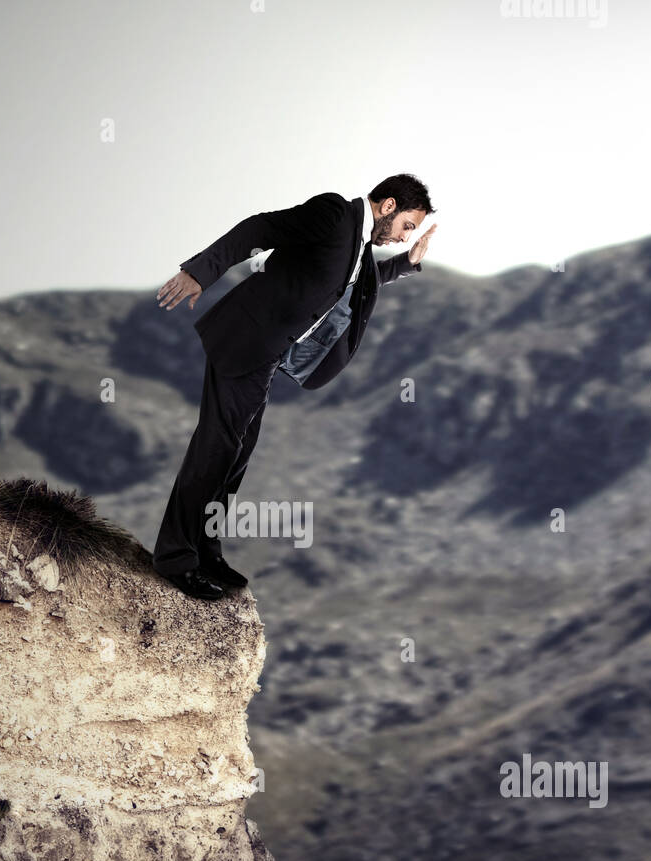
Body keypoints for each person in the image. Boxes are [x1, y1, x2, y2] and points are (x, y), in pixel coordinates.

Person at [152, 173, 438, 600]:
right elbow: (258, 228)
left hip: (263, 355)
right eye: (407, 227)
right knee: (216, 449)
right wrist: (200, 272)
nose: (402, 237)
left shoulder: (356, 245)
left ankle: (205, 549)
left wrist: (409, 262)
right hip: (242, 340)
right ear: (389, 206)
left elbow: (363, 281)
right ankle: (175, 559)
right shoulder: (334, 213)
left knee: (236, 454)